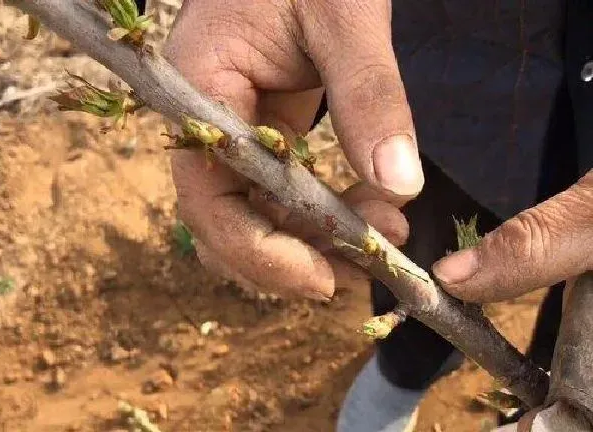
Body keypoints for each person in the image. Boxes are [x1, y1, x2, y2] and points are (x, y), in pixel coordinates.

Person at [150, 0, 593, 430]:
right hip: (457, 89)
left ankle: (542, 410)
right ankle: (402, 372)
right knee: (423, 245)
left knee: (575, 327)